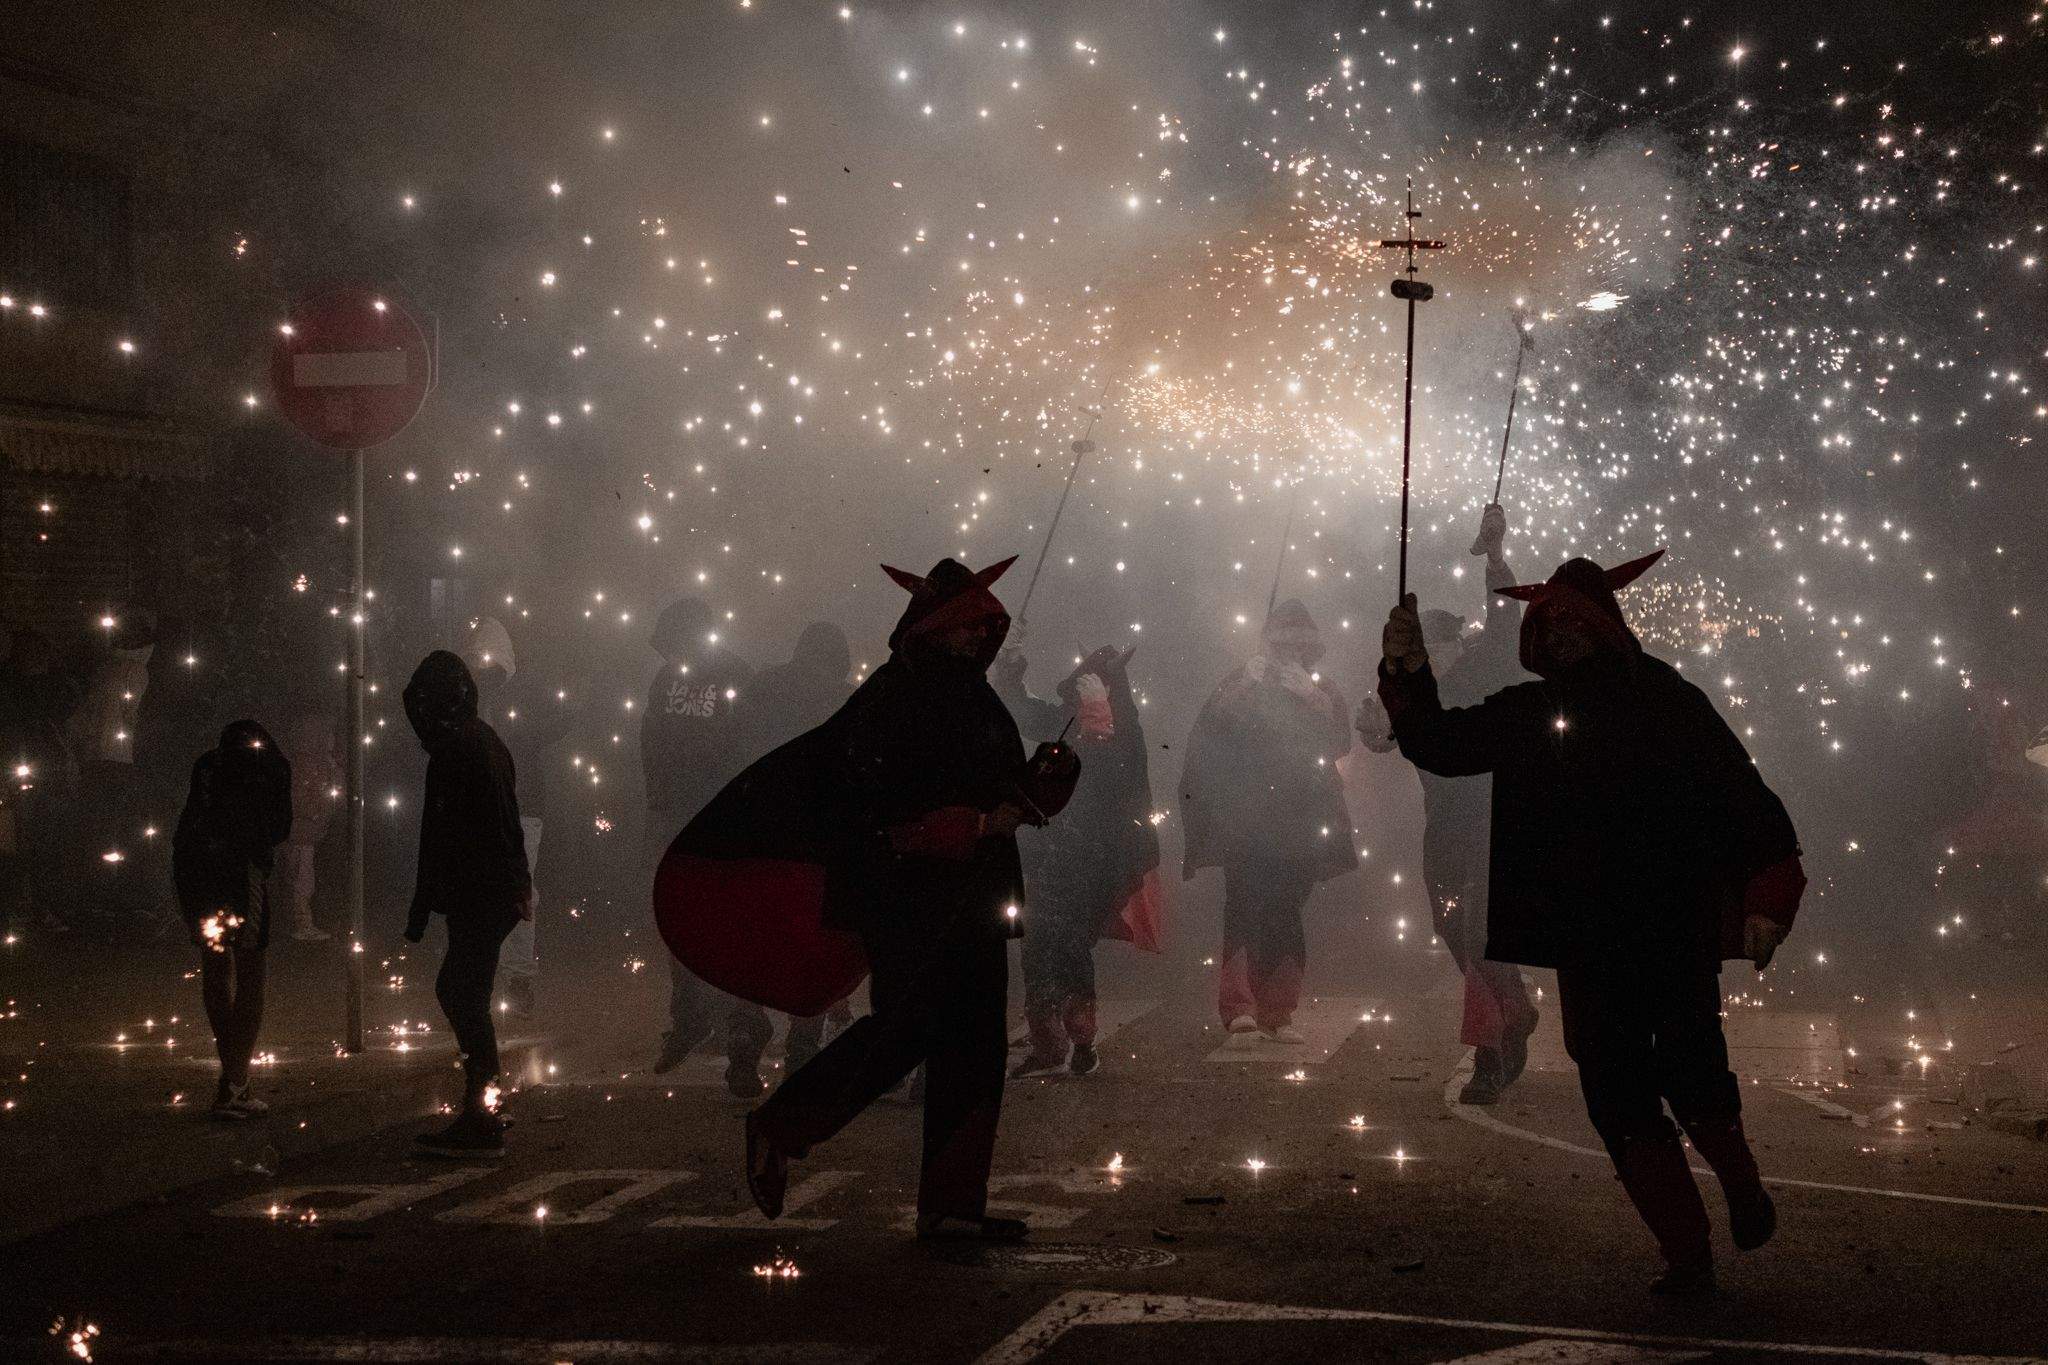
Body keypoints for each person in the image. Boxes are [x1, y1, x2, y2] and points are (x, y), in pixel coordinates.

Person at [1378, 549, 1804, 1294]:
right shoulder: (1533, 711)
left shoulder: (1670, 698)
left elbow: (1743, 794)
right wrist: (1405, 673)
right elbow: (1441, 745)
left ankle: (1742, 1189)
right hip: (1586, 937)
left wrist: (1769, 895)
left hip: (1670, 926)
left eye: (1577, 621)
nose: (1564, 636)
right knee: (1615, 1092)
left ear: (1607, 626)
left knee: (1695, 1073)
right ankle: (1686, 1252)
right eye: (1552, 624)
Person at [743, 555, 1076, 1240]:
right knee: (905, 1031)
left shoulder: (973, 696)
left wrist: (1038, 785)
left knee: (977, 1050)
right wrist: (976, 824)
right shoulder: (894, 699)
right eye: (963, 626)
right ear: (930, 626)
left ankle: (953, 1206)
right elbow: (876, 815)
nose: (974, 638)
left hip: (977, 897)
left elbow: (995, 783)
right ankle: (782, 1123)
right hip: (912, 901)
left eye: (982, 626)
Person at [1365, 504, 1540, 1105]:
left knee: (1480, 928)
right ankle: (1514, 1012)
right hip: (1444, 826)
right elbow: (1382, 731)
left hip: (1500, 821)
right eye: (1424, 654)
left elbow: (1504, 615)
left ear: (1455, 647)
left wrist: (1494, 556)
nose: (1433, 661)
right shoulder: (1416, 689)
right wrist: (1375, 722)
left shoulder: (1488, 667)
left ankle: (1491, 1049)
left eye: (1438, 650)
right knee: (1452, 928)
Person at [1181, 599, 1356, 1042]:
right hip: (1246, 817)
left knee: (1285, 911)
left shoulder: (1323, 690)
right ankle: (1239, 1005)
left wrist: (1314, 699)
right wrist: (1243, 688)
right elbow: (1210, 737)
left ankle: (1279, 1010)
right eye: (1281, 645)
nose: (1289, 655)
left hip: (1301, 822)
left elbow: (1338, 744)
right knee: (1242, 906)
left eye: (1298, 648)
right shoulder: (1242, 682)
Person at [402, 651, 533, 1158]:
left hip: (482, 891)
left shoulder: (460, 750)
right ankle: (484, 1104)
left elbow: (444, 836)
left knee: (462, 993)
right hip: (490, 890)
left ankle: (482, 1113)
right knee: (465, 993)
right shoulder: (483, 741)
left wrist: (424, 905)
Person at [1011, 645, 1161, 1077]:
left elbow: (1113, 770)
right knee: (1038, 944)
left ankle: (1081, 1039)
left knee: (1070, 945)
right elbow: (1018, 709)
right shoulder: (1067, 719)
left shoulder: (1125, 728)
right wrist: (1013, 662)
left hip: (1093, 856)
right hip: (1049, 849)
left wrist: (1100, 715)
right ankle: (1048, 1044)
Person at [731, 622, 858, 1081]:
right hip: (818, 840)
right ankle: (802, 1048)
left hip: (762, 830)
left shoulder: (763, 685)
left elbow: (737, 746)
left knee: (756, 937)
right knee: (812, 941)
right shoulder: (845, 698)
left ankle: (744, 1032)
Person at [641, 598, 757, 1085]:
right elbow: (652, 739)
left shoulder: (735, 675)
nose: (669, 654)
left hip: (720, 819)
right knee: (681, 923)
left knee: (732, 931)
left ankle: (743, 1049)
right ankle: (694, 1021)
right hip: (674, 818)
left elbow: (746, 740)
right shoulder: (667, 678)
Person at [172, 720, 291, 1120]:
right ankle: (235, 1080)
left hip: (195, 870)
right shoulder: (271, 768)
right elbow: (278, 828)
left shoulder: (208, 765)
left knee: (216, 965)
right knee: (251, 969)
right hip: (239, 874)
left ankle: (232, 1075)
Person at [462, 617, 568, 1017]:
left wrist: (522, 733)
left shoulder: (524, 690)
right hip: (482, 808)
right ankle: (490, 977)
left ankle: (518, 978)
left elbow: (558, 723)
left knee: (519, 892)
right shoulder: (468, 697)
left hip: (521, 807)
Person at [275, 712, 339, 942]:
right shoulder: (304, 764)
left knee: (302, 879)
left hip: (306, 831)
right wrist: (311, 813)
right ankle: (300, 925)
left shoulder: (317, 763)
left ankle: (300, 923)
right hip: (299, 832)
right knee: (300, 880)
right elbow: (300, 797)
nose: (331, 739)